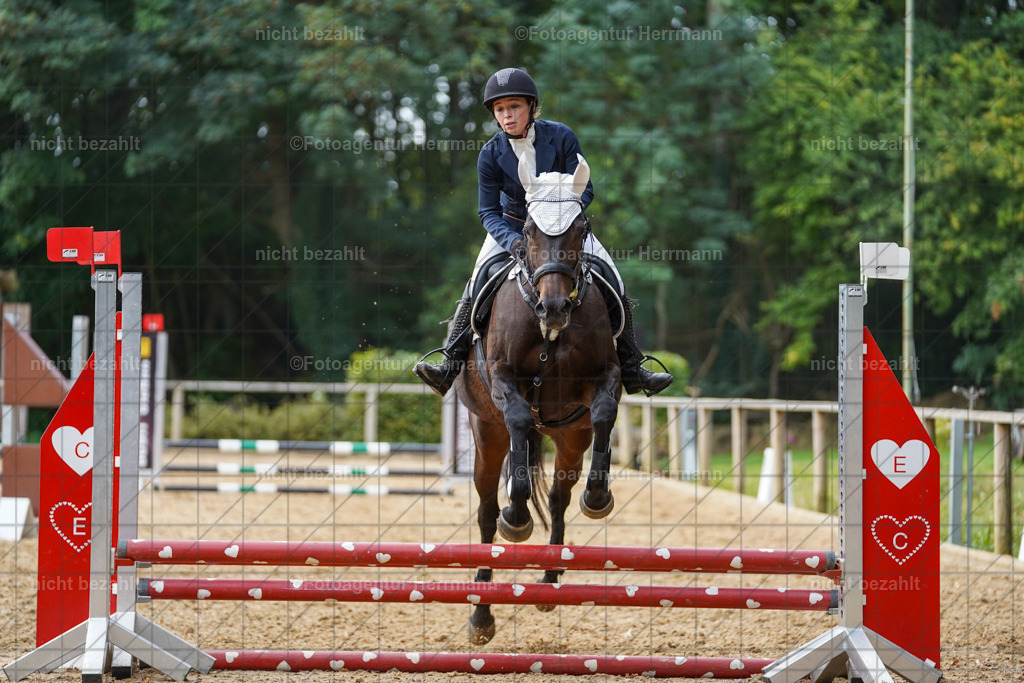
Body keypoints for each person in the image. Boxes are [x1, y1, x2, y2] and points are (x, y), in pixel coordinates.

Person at [414, 67, 672, 397]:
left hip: (563, 228)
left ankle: (634, 367)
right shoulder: (490, 154)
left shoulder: (562, 137)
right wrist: (513, 241)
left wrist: (564, 212)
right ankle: (449, 363)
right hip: (512, 228)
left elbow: (586, 188)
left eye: (514, 106)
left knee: (613, 276)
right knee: (477, 280)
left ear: (532, 107)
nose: (507, 116)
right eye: (500, 109)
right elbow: (487, 212)